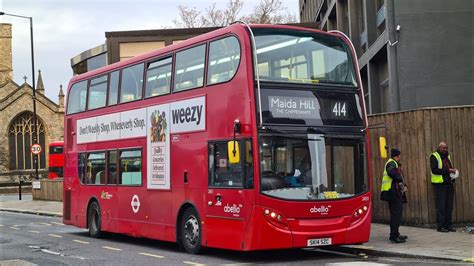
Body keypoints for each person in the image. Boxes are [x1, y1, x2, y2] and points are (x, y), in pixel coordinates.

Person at [380, 148, 407, 243]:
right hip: (392, 193)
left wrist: (403, 185)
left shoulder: (394, 163)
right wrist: (400, 179)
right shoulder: (391, 163)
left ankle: (396, 233)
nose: (400, 157)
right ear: (397, 156)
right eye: (399, 156)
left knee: (396, 214)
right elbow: (392, 173)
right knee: (396, 214)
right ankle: (394, 236)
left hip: (393, 192)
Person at [430, 141, 458, 233]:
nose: (445, 149)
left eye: (446, 148)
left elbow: (449, 168)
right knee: (441, 206)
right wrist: (449, 170)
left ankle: (448, 225)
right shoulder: (434, 156)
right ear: (439, 148)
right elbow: (434, 170)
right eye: (443, 148)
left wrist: (453, 172)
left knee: (449, 206)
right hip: (440, 185)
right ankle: (440, 226)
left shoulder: (447, 156)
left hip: (449, 183)